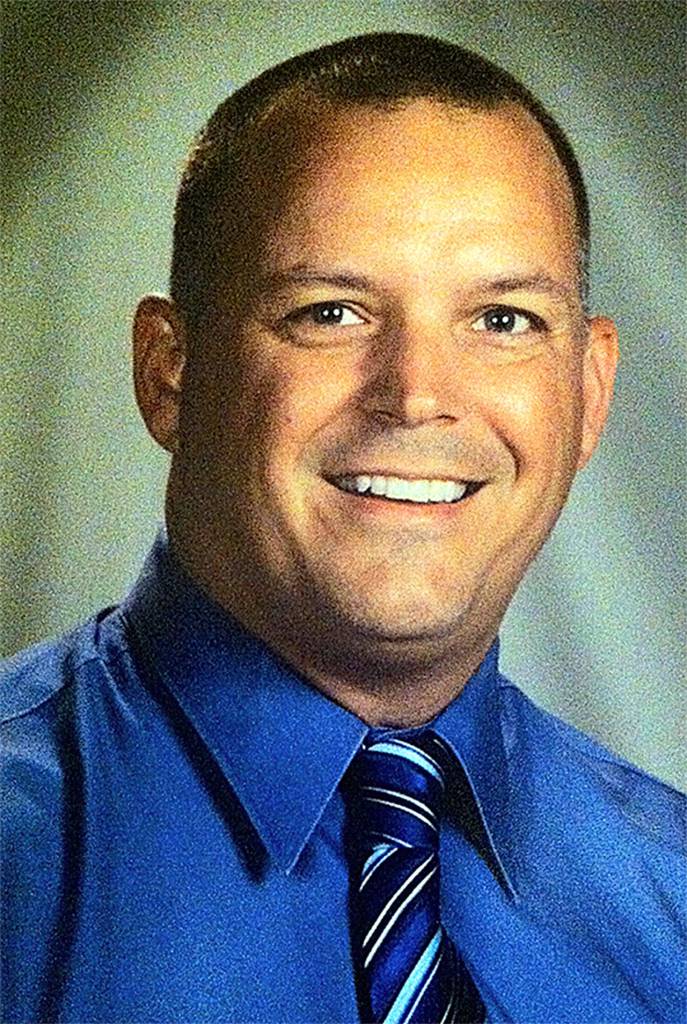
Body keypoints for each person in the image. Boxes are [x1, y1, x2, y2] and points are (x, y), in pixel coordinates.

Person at [1, 31, 684, 1024]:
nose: (415, 395)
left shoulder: (669, 890)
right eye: (330, 312)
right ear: (169, 373)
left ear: (588, 390)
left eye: (501, 320)